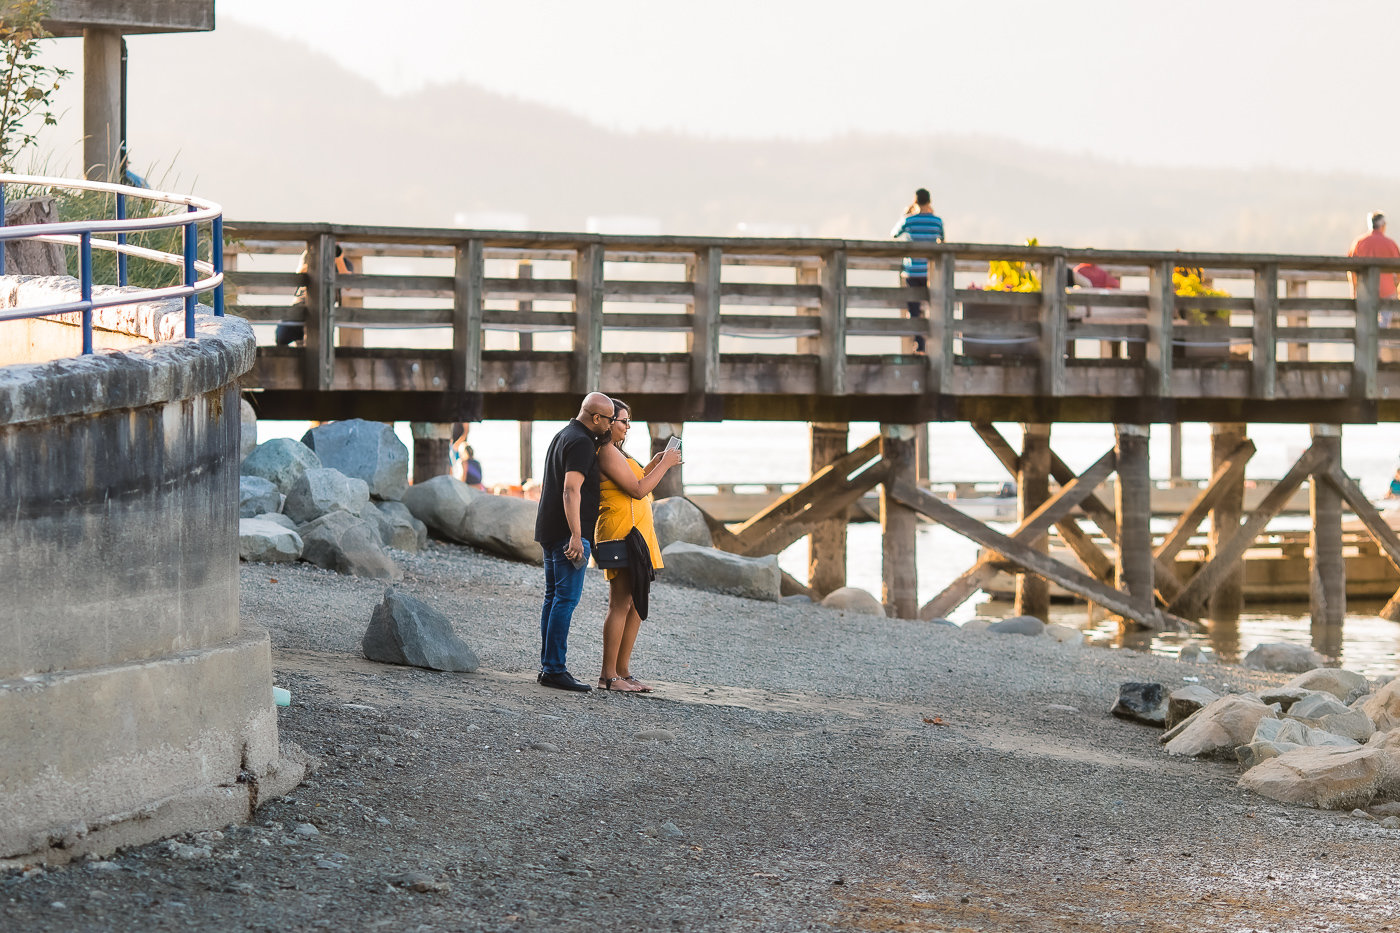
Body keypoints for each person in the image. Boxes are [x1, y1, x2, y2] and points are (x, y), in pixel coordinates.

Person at [593, 399, 682, 692]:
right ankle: (609, 675)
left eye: (629, 421)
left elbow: (637, 479)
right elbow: (639, 490)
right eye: (623, 421)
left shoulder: (618, 452)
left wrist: (655, 462)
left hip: (638, 535)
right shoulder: (605, 452)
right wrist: (667, 465)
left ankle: (623, 670)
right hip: (621, 534)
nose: (628, 427)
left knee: (634, 603)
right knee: (620, 603)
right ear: (607, 421)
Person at [532, 393, 616, 692]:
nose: (611, 425)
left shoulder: (563, 434)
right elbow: (570, 490)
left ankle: (548, 667)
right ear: (596, 418)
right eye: (609, 419)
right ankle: (554, 669)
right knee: (564, 600)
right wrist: (577, 536)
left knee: (553, 597)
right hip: (566, 533)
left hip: (549, 527)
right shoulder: (581, 442)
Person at [890, 188, 944, 353]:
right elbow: (942, 240)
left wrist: (905, 214)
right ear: (929, 201)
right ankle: (934, 345)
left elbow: (894, 234)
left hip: (912, 271)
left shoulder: (909, 220)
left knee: (914, 310)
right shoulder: (937, 221)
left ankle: (919, 344)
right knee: (934, 309)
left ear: (915, 201)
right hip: (930, 272)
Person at [275, 245, 353, 346]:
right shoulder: (308, 255)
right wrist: (316, 260)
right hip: (302, 303)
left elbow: (348, 285)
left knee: (319, 344)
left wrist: (337, 259)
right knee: (282, 336)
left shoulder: (344, 262)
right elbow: (299, 273)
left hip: (324, 309)